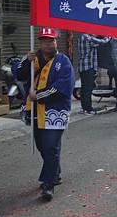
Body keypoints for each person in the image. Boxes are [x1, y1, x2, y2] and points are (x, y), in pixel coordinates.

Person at [14, 28, 75, 202]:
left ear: (56, 42)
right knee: (42, 146)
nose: (48, 44)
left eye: (51, 40)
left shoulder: (63, 62)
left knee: (50, 146)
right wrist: (27, 62)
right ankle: (55, 172)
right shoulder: (33, 59)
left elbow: (64, 86)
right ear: (40, 42)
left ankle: (48, 185)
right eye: (44, 40)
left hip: (55, 112)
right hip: (35, 112)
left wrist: (38, 95)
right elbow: (19, 74)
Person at [77, 33, 109, 115]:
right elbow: (102, 42)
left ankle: (84, 108)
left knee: (84, 89)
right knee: (88, 89)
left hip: (83, 66)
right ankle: (88, 109)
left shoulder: (81, 36)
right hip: (88, 67)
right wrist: (108, 37)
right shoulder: (87, 37)